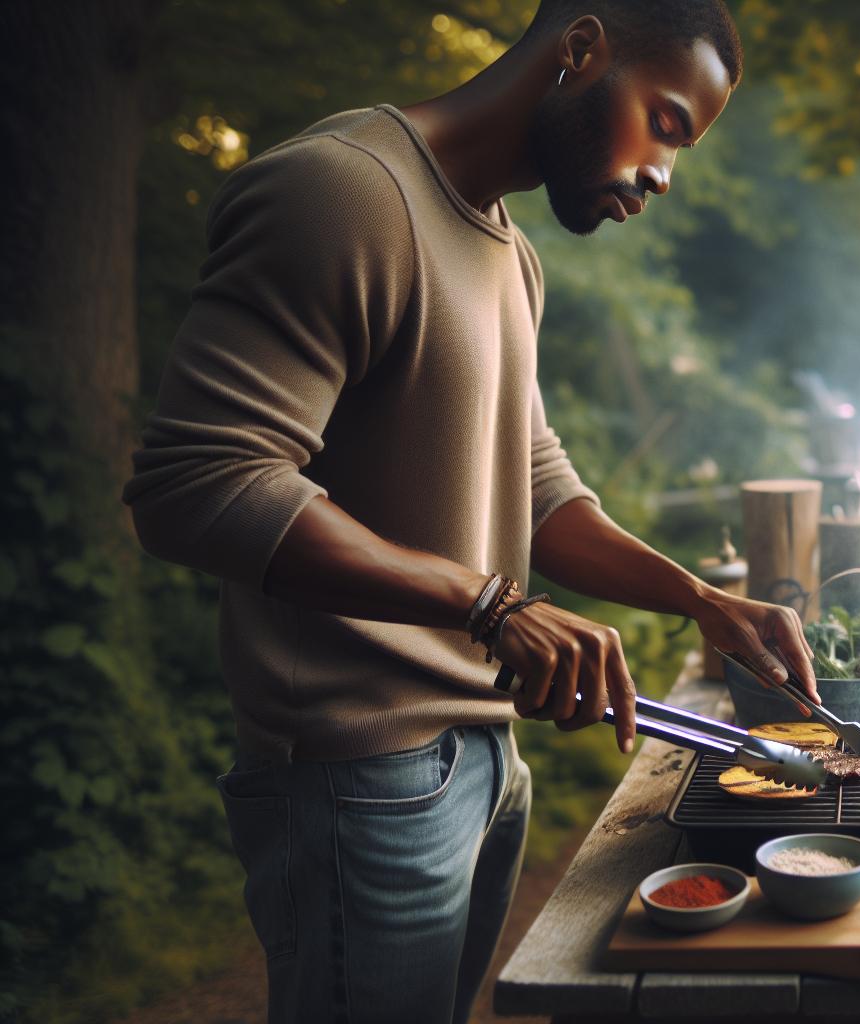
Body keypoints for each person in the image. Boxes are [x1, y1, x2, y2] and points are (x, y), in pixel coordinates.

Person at [122, 2, 815, 1020]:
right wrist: (491, 605)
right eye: (667, 123)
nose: (665, 176)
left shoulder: (509, 253)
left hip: (488, 760)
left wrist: (701, 600)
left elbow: (533, 487)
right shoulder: (341, 192)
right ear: (581, 50)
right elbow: (197, 482)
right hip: (360, 773)